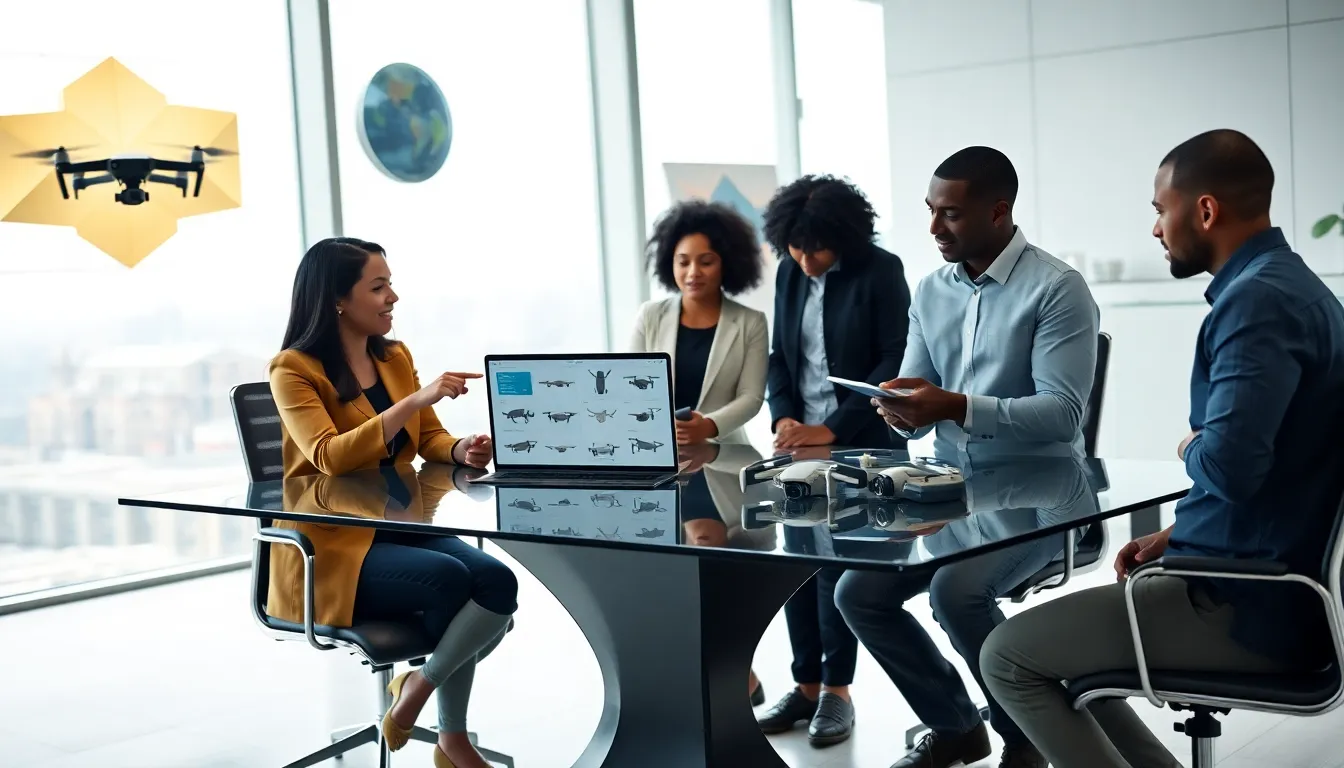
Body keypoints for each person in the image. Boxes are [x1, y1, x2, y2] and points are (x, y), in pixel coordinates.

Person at [980, 129, 1344, 768]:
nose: (1154, 229)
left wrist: (1190, 443)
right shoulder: (1297, 289)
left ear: (1203, 210)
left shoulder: (1256, 302)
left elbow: (1229, 465)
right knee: (1064, 663)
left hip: (1241, 604)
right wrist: (1175, 536)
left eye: (1158, 209)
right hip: (1260, 582)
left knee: (1005, 657)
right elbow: (1280, 471)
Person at [835, 146, 1099, 768]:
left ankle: (1028, 738)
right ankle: (955, 724)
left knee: (955, 592)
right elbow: (912, 391)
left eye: (949, 215)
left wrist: (952, 405)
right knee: (858, 594)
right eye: (930, 211)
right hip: (953, 488)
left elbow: (1063, 415)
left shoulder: (1057, 288)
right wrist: (895, 408)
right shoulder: (930, 290)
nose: (933, 229)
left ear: (998, 211)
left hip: (1045, 496)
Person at [269, 237, 517, 768]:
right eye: (378, 287)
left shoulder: (393, 355)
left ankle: (417, 687)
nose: (392, 297)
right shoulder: (293, 369)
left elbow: (427, 439)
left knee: (499, 584)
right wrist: (416, 399)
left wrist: (460, 449)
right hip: (332, 543)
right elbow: (329, 457)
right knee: (455, 587)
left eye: (390, 284)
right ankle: (453, 742)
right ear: (338, 298)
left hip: (398, 520)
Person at [756, 175, 910, 747]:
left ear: (842, 237)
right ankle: (805, 685)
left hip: (863, 441)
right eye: (794, 247)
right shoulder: (791, 271)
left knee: (834, 569)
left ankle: (837, 692)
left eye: (815, 248)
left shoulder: (881, 270)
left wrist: (832, 427)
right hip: (800, 443)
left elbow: (893, 360)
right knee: (795, 566)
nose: (804, 258)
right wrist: (785, 419)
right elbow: (780, 359)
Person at [629, 200, 769, 444]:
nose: (693, 272)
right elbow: (629, 386)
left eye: (706, 262)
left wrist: (708, 426)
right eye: (683, 262)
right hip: (656, 447)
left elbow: (751, 397)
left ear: (726, 263)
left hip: (725, 454)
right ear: (669, 263)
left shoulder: (752, 322)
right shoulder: (649, 316)